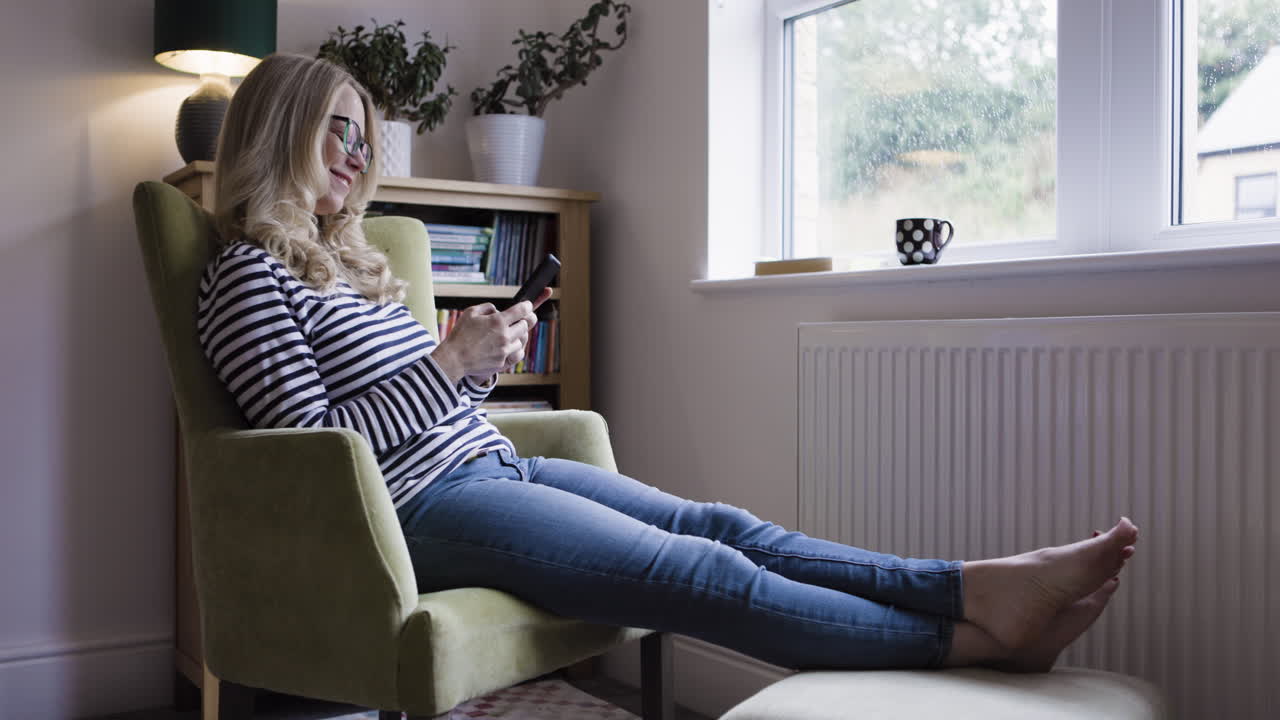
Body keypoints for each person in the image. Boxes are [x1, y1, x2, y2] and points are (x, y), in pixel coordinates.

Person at [196, 53, 1138, 673]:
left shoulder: (353, 265)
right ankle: (966, 643)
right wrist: (448, 368)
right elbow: (313, 457)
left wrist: (481, 362)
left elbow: (425, 398)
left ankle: (968, 584)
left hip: (488, 461)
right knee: (696, 570)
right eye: (337, 128)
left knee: (722, 523)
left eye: (364, 133)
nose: (359, 154)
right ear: (278, 129)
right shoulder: (246, 275)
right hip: (422, 508)